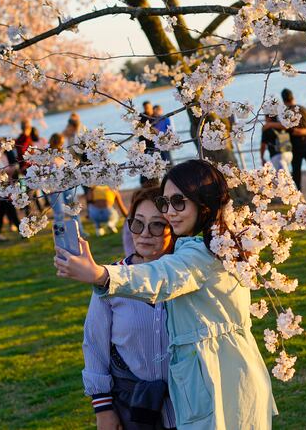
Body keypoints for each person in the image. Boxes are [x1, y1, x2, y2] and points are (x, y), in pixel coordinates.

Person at [54, 159, 277, 430]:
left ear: (203, 201)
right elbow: (94, 343)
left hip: (217, 376)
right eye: (166, 203)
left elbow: (161, 278)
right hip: (225, 374)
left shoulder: (200, 253)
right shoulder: (217, 244)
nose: (171, 211)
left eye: (179, 202)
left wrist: (102, 275)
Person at [83, 187, 176, 430]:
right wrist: (103, 410)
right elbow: (94, 345)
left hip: (189, 407)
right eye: (137, 223)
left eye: (157, 225)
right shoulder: (110, 280)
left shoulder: (187, 276)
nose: (144, 234)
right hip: (133, 408)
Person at [262, 89, 306, 190]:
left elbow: (286, 126)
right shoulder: (303, 109)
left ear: (283, 100)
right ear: (293, 97)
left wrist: (270, 124)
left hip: (295, 147)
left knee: (296, 173)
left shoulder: (287, 113)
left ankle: (298, 193)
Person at [46, 133, 84, 234]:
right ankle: (60, 234)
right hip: (55, 188)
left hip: (68, 185)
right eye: (61, 143)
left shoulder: (63, 154)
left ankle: (79, 231)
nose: (63, 144)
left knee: (73, 208)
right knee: (59, 213)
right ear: (56, 143)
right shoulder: (49, 156)